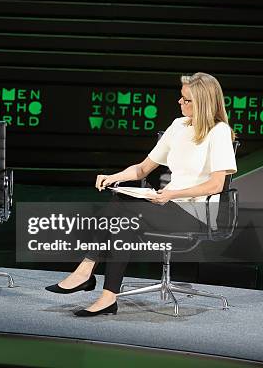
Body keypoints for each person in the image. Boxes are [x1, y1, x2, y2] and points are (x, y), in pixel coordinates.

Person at [45, 72, 237, 316]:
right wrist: (114, 177)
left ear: (203, 102)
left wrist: (172, 194)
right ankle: (107, 295)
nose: (180, 103)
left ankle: (86, 271)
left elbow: (216, 185)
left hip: (195, 213)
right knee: (121, 212)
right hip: (168, 204)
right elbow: (144, 168)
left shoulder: (218, 131)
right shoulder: (178, 126)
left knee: (121, 209)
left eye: (186, 100)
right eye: (181, 98)